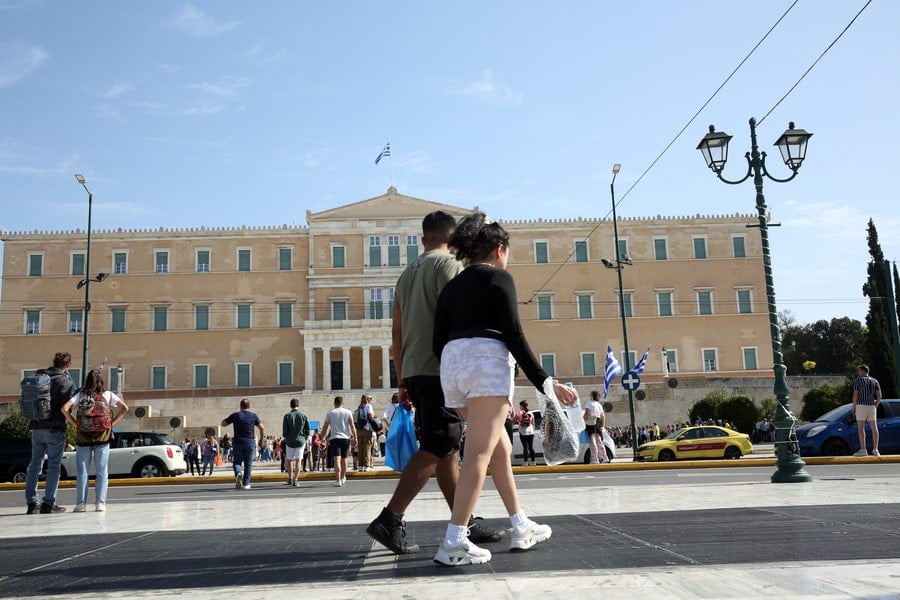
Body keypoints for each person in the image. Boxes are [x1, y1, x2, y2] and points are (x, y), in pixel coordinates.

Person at [431, 212, 578, 566]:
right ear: (499, 250)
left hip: (453, 365)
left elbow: (437, 341)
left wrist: (459, 366)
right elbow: (514, 335)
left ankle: (520, 524)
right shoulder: (500, 279)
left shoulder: (451, 287)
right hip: (485, 362)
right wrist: (547, 383)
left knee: (500, 447)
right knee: (479, 454)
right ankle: (454, 540)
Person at [366, 210, 505, 556]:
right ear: (453, 237)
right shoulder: (448, 266)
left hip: (414, 368)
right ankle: (391, 516)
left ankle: (465, 520)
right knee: (443, 439)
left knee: (445, 448)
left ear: (423, 238)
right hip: (439, 367)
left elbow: (395, 333)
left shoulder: (405, 276)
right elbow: (462, 311)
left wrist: (401, 377)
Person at [61, 368, 129, 512]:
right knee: (102, 471)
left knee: (82, 472)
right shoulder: (108, 395)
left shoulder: (81, 395)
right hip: (102, 437)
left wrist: (75, 424)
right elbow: (125, 409)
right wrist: (111, 424)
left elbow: (64, 408)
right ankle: (100, 503)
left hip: (83, 438)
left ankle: (81, 504)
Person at [25, 351, 75, 514]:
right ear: (67, 365)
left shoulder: (39, 377)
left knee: (34, 465)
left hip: (37, 426)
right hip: (55, 429)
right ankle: (48, 503)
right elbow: (66, 408)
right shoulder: (64, 382)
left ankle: (32, 502)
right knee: (54, 466)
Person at [221, 399, 265, 490]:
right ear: (249, 406)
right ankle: (246, 484)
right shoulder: (253, 416)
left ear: (240, 406)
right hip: (250, 442)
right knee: (248, 464)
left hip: (238, 442)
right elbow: (262, 427)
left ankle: (238, 473)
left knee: (237, 462)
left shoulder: (236, 415)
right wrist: (261, 439)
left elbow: (223, 424)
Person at [319, 396, 357, 487]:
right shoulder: (348, 412)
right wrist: (355, 438)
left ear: (334, 403)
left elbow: (325, 426)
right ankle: (343, 477)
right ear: (342, 403)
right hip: (345, 438)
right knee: (344, 459)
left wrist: (322, 438)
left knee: (337, 459)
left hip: (334, 438)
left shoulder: (330, 413)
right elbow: (352, 426)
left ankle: (338, 479)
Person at [852, 364, 882, 457]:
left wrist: (854, 407)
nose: (858, 373)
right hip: (871, 406)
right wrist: (875, 405)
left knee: (861, 428)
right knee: (874, 428)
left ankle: (863, 449)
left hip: (861, 405)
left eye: (859, 371)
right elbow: (879, 396)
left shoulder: (858, 381)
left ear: (862, 371)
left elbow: (855, 395)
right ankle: (876, 449)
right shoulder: (875, 381)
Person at [282, 398, 310, 487]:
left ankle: (290, 478)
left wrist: (286, 438)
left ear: (291, 406)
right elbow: (307, 430)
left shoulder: (287, 416)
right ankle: (296, 479)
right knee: (298, 460)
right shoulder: (303, 415)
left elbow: (285, 431)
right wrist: (305, 438)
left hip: (290, 441)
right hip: (300, 441)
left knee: (289, 460)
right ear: (298, 405)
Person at [583, 390, 607, 465]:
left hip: (591, 423)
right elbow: (603, 416)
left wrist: (583, 421)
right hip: (598, 423)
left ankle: (594, 458)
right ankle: (603, 456)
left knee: (593, 442)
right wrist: (602, 425)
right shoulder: (599, 405)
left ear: (592, 396)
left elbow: (587, 413)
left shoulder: (589, 403)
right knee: (599, 441)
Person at [355, 394, 376, 471]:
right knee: (367, 447)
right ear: (367, 399)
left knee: (360, 448)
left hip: (359, 429)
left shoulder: (359, 406)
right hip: (367, 428)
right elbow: (370, 416)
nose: (371, 399)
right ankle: (367, 465)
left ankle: (360, 466)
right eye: (370, 398)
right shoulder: (368, 406)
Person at [514, 400, 536, 467]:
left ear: (522, 406)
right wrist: (532, 429)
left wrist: (518, 421)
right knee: (531, 447)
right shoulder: (531, 413)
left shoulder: (520, 413)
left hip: (523, 432)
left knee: (525, 447)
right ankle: (533, 462)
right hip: (531, 431)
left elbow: (514, 420)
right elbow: (533, 423)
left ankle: (525, 462)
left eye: (520, 406)